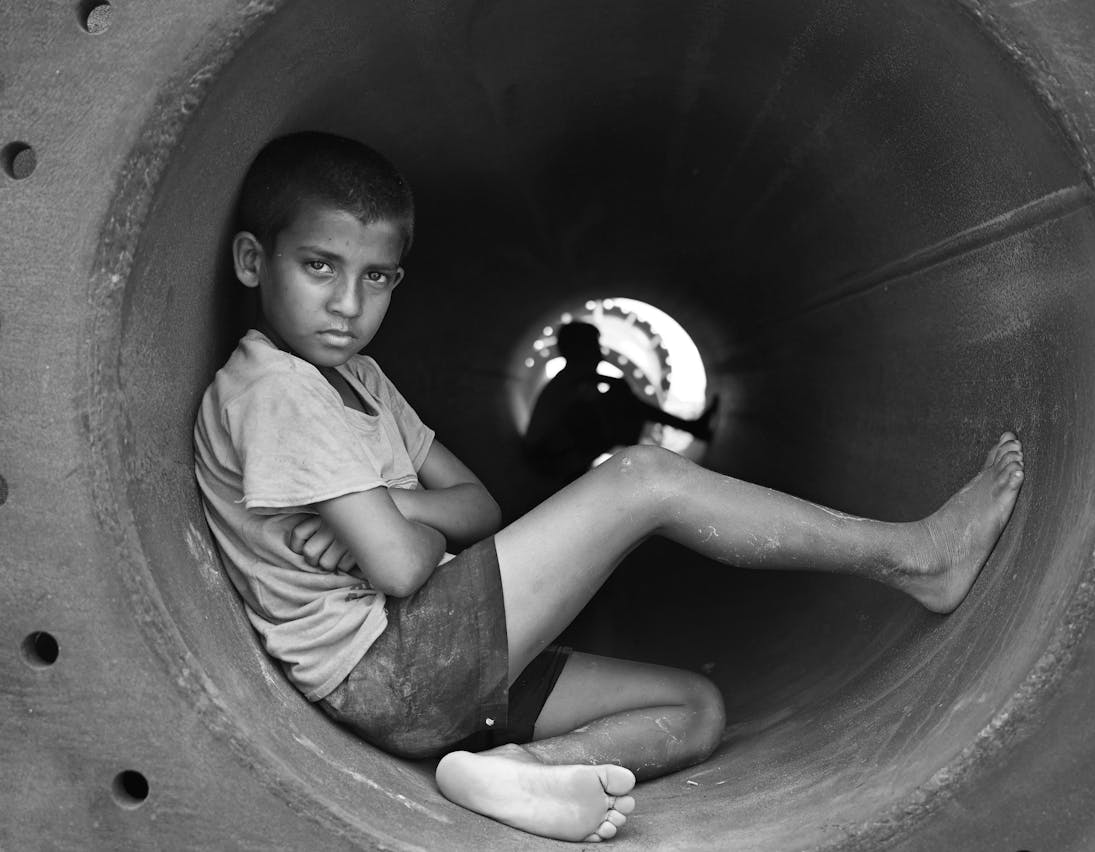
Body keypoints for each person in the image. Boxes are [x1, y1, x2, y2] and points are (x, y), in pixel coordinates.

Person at [193, 131, 1026, 844]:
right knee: (643, 478)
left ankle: (520, 772)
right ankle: (915, 557)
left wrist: (395, 508)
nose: (347, 303)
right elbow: (404, 572)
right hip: (392, 660)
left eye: (376, 277)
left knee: (692, 709)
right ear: (251, 260)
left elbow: (481, 505)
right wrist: (401, 530)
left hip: (434, 662)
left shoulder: (359, 381)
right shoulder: (277, 390)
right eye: (319, 266)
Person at [522, 320, 718, 483]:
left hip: (548, 457)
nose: (601, 353)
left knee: (618, 404)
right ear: (581, 349)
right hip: (548, 460)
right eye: (595, 345)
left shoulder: (572, 379)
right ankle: (693, 429)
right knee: (621, 403)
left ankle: (694, 428)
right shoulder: (573, 380)